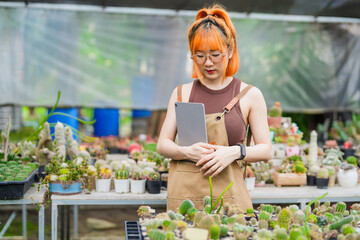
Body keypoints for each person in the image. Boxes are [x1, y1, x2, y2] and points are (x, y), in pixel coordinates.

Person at [157, 4, 272, 211]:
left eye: (214, 54)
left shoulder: (249, 95)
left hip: (230, 198)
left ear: (229, 50)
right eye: (199, 56)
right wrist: (186, 151)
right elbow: (162, 144)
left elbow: (265, 149)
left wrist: (233, 153)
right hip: (185, 200)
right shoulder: (182, 93)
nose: (207, 63)